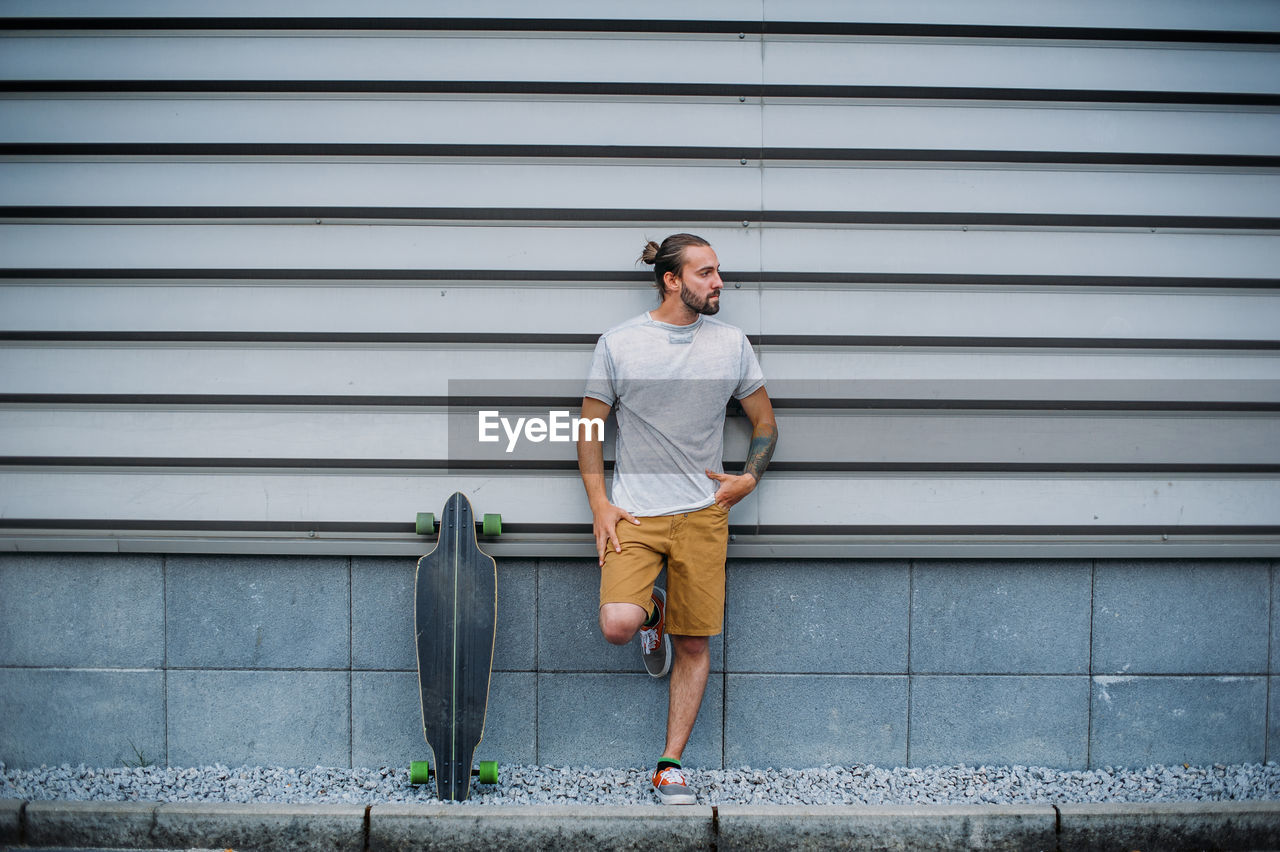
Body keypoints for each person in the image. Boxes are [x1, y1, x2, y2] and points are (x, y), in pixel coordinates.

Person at [576, 233, 778, 805]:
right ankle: (649, 611)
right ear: (672, 279)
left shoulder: (732, 344)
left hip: (703, 514)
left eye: (719, 274)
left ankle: (670, 764)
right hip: (634, 515)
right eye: (707, 273)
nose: (719, 284)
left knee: (693, 644)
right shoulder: (620, 343)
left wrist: (749, 477)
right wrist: (599, 503)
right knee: (618, 623)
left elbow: (765, 422)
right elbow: (590, 429)